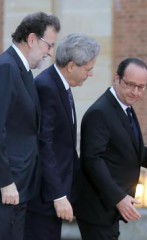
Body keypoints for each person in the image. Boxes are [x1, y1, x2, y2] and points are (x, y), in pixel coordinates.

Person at [0, 12, 60, 240]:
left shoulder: (22, 71)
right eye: (49, 45)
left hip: (16, 187)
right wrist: (5, 181)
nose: (50, 52)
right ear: (31, 39)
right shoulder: (5, 69)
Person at [23, 33, 100, 240]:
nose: (90, 74)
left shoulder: (60, 85)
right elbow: (44, 145)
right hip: (43, 199)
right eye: (88, 69)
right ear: (72, 66)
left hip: (56, 195)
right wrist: (58, 195)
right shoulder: (47, 87)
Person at [73, 57, 147, 240]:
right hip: (98, 208)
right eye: (130, 84)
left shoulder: (124, 107)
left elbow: (127, 148)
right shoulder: (100, 112)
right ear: (116, 79)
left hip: (109, 209)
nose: (135, 92)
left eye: (141, 87)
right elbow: (92, 160)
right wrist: (118, 198)